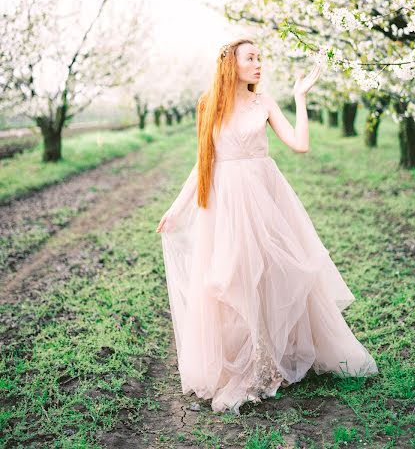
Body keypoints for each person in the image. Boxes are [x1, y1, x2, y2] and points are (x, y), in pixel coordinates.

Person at [156, 38, 378, 415]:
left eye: (260, 58)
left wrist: (301, 97)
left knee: (268, 274)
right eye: (251, 58)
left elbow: (299, 144)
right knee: (231, 277)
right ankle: (248, 357)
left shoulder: (265, 103)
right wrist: (177, 208)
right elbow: (203, 162)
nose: (259, 65)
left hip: (265, 199)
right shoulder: (209, 105)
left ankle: (266, 361)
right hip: (226, 205)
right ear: (231, 64)